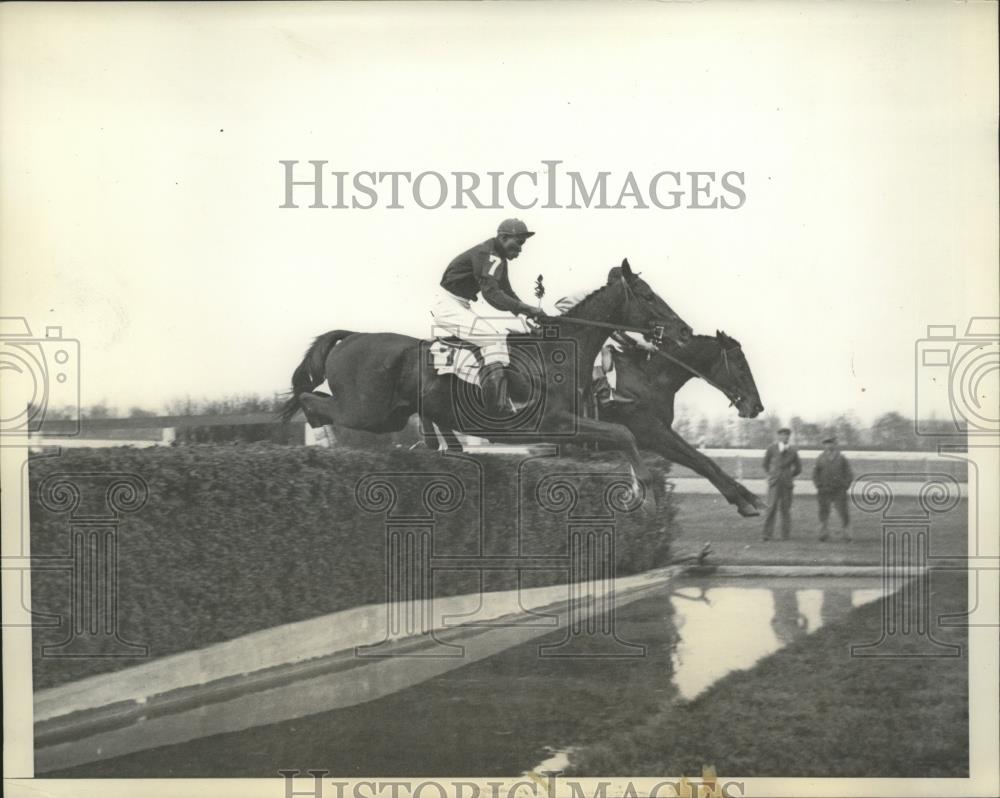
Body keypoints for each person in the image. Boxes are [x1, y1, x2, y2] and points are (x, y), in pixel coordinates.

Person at [433, 219, 547, 415]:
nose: (520, 250)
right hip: (447, 304)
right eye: (518, 243)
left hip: (458, 304)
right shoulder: (489, 254)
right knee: (493, 340)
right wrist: (527, 309)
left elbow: (506, 292)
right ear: (503, 238)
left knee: (495, 338)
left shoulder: (497, 257)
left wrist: (528, 316)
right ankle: (497, 408)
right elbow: (491, 294)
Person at [554, 267, 657, 407]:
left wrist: (640, 343)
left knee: (606, 346)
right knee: (600, 348)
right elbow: (560, 304)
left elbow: (616, 334)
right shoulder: (595, 297)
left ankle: (606, 390)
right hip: (568, 333)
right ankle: (603, 392)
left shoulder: (611, 304)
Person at [761, 427, 801, 540]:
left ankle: (785, 535)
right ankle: (767, 534)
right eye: (782, 435)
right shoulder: (772, 448)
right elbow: (765, 464)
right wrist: (771, 475)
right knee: (771, 508)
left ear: (789, 437)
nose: (785, 437)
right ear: (778, 436)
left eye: (787, 435)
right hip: (774, 483)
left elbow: (798, 468)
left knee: (785, 509)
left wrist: (789, 475)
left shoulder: (793, 451)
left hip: (787, 484)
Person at [813, 435, 854, 541]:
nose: (828, 445)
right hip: (824, 490)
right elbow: (815, 474)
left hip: (839, 490)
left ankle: (846, 534)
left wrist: (845, 485)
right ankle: (823, 533)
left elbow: (849, 474)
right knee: (823, 512)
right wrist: (818, 485)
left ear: (835, 444)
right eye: (826, 443)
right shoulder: (820, 458)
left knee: (843, 511)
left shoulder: (842, 458)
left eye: (831, 443)